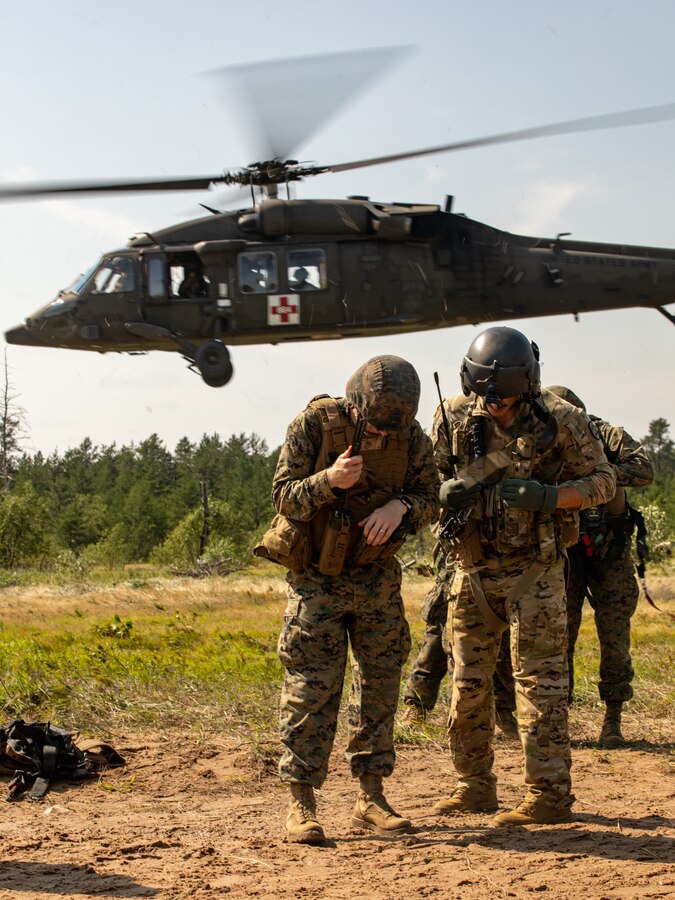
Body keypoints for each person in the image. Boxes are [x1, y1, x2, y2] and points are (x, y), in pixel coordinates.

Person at [431, 326, 615, 826]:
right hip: (471, 567)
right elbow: (426, 482)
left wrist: (551, 497)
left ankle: (548, 794)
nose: (499, 410)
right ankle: (473, 786)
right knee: (467, 684)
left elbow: (603, 481)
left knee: (541, 684)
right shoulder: (450, 415)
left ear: (528, 385)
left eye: (509, 402)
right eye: (491, 402)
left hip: (536, 568)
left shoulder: (562, 418)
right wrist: (444, 493)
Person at [262, 355, 439, 844]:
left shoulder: (412, 437)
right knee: (311, 687)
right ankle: (301, 805)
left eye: (392, 430)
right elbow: (283, 496)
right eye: (375, 428)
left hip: (376, 576)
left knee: (381, 683)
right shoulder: (314, 425)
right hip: (316, 579)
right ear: (357, 404)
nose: (383, 437)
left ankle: (371, 797)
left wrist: (401, 505)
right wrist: (329, 481)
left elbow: (431, 495)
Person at [547, 386, 654, 747]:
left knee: (614, 634)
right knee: (561, 636)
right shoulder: (541, 436)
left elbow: (643, 470)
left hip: (611, 546)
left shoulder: (607, 434)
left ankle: (613, 720)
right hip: (565, 547)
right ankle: (559, 720)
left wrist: (599, 474)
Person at [402, 567, 518, 738]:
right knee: (435, 645)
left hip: (499, 574)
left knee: (502, 645)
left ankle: (502, 713)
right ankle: (416, 707)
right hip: (457, 571)